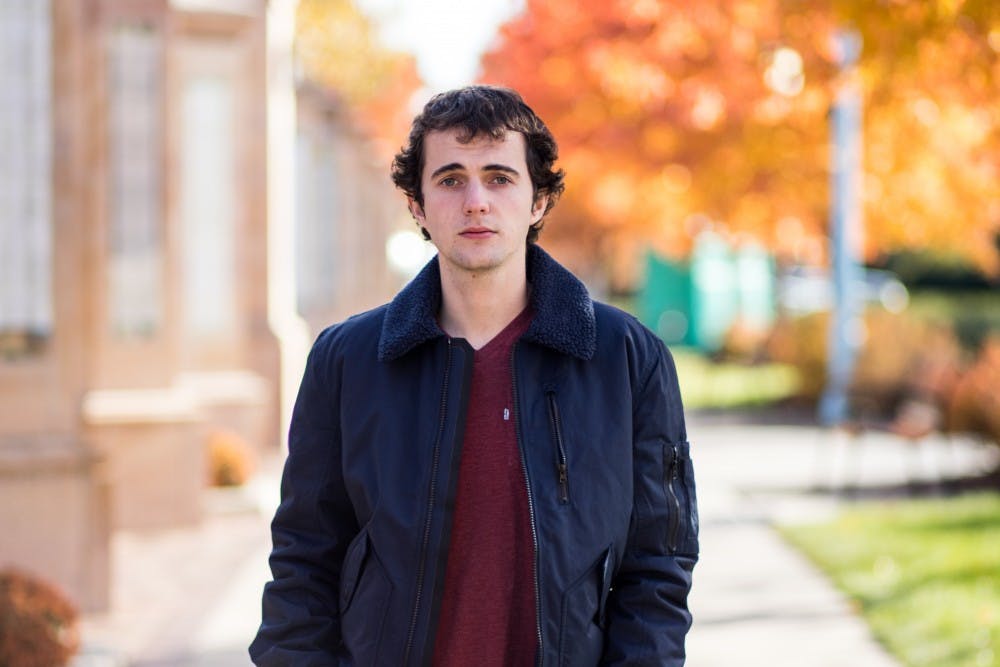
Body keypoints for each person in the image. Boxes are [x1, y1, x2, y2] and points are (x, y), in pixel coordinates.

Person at [250, 85, 698, 666]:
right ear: (417, 205)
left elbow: (658, 566)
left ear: (539, 201)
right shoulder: (347, 361)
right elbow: (304, 560)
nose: (476, 201)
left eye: (500, 177)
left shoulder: (627, 359)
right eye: (451, 178)